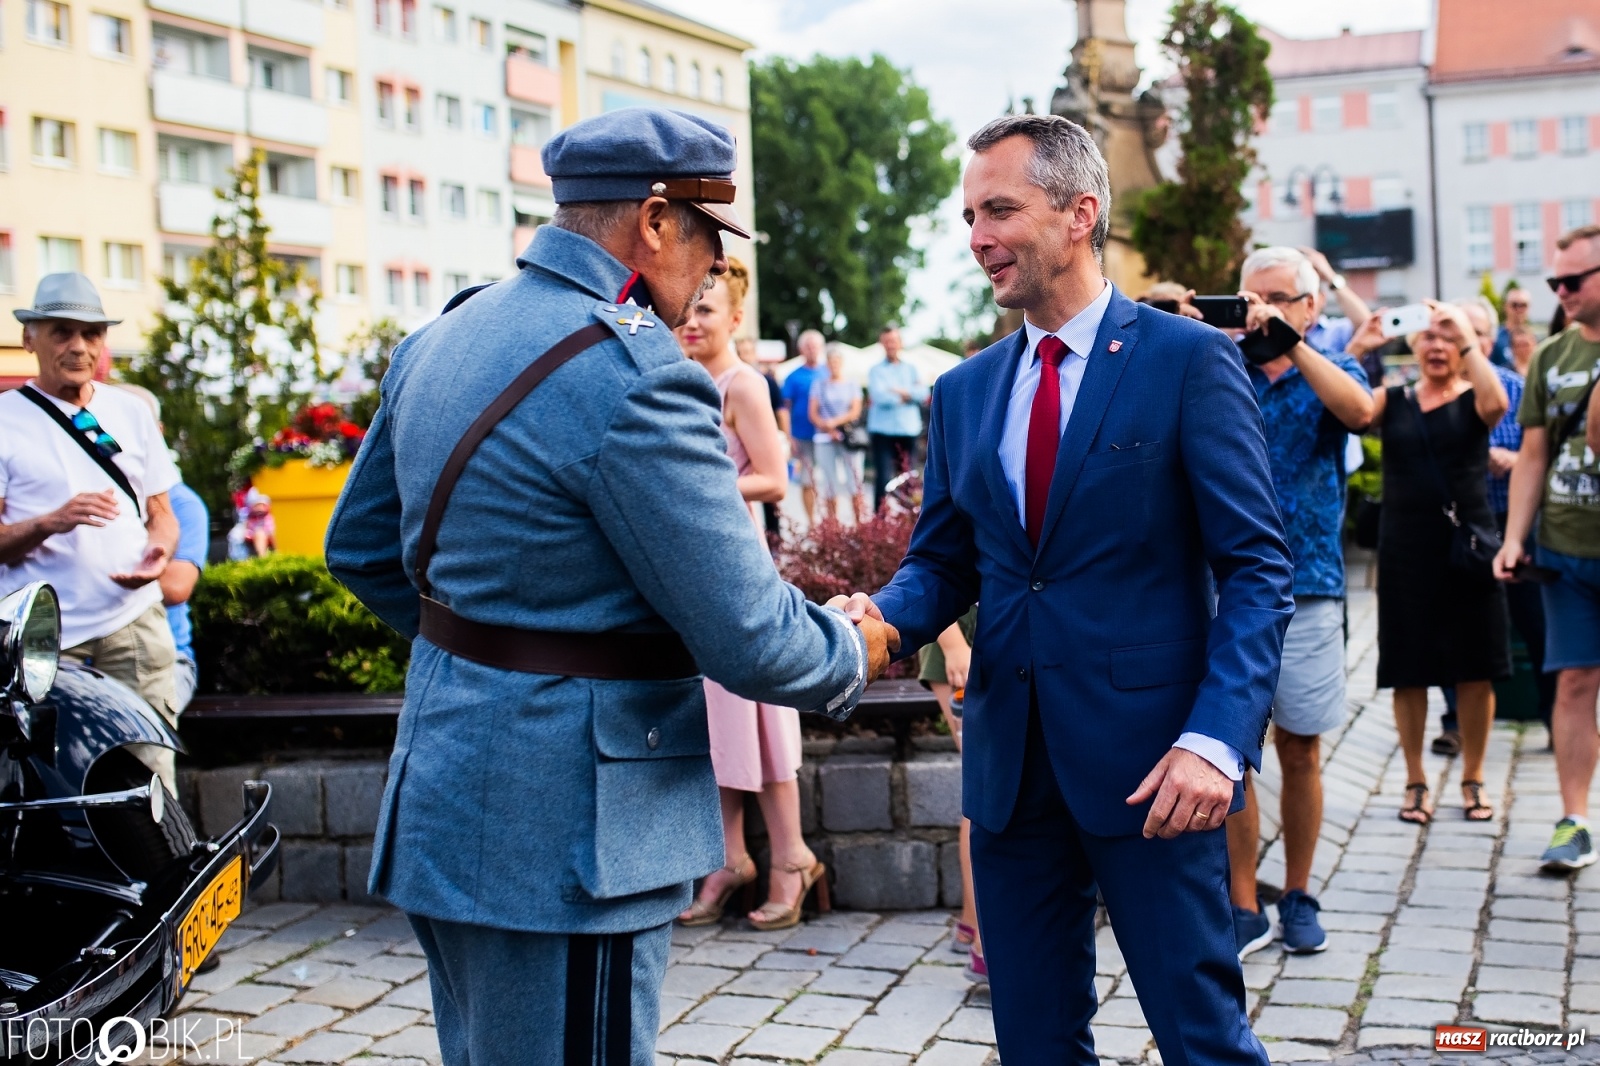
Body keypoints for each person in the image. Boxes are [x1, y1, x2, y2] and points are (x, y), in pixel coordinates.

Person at [324, 108, 897, 1066]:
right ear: (656, 221)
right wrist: (857, 648)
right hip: (570, 832)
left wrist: (492, 654)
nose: (716, 267)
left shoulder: (446, 333)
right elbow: (750, 634)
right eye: (709, 238)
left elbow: (361, 551)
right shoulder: (637, 373)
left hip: (446, 782)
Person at [832, 114, 1293, 1066]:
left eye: (999, 210)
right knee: (1035, 1045)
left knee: (1202, 1040)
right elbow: (943, 563)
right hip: (1009, 773)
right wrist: (877, 622)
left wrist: (1216, 742)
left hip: (1157, 770)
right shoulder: (964, 391)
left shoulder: (1187, 361)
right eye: (969, 216)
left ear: (1081, 214)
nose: (977, 237)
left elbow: (1256, 568)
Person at [1226, 247, 1374, 960]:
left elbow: (1361, 412)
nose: (1262, 310)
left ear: (1312, 307)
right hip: (1224, 588)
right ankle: (1242, 901)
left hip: (1307, 584)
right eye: (1251, 297)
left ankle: (1300, 892)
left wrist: (1291, 343)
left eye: (1279, 297)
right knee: (1230, 750)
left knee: (1301, 747)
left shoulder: (1333, 369)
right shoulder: (1223, 368)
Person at [672, 258, 822, 931]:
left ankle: (791, 857)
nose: (691, 320)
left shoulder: (744, 386)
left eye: (706, 310)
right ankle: (728, 857)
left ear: (735, 318)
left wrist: (694, 491)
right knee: (714, 718)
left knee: (759, 710)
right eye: (687, 307)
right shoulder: (678, 382)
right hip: (689, 573)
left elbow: (774, 479)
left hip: (738, 569)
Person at [0, 273, 182, 791]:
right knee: (58, 786)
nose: (78, 346)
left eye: (92, 333)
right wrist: (50, 521)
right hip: (45, 645)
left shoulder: (130, 411)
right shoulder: (5, 418)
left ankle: (161, 850)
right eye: (61, 332)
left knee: (151, 781)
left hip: (134, 624)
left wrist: (158, 553)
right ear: (29, 338)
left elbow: (162, 515)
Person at [1370, 301, 1510, 824]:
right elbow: (1352, 412)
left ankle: (1473, 776)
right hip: (1405, 551)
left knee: (1476, 668)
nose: (1436, 346)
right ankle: (1415, 780)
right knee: (1407, 670)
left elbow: (1498, 406)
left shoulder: (1476, 398)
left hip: (1467, 550)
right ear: (1414, 345)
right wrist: (1361, 344)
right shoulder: (1393, 400)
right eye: (1427, 337)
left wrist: (1465, 333)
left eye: (1447, 339)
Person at [1493, 224, 1600, 871]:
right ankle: (1574, 820)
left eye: (1573, 280)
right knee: (1574, 682)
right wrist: (1514, 538)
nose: (1561, 291)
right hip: (1566, 550)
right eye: (1555, 281)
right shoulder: (1553, 357)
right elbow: (1533, 454)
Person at [1432, 300, 1555, 755]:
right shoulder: (1433, 393)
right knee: (1454, 626)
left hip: (1511, 521)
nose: (1463, 341)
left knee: (1536, 622)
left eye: (1474, 332)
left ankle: (1554, 716)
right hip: (1457, 525)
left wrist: (1514, 459)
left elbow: (1544, 453)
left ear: (1489, 340)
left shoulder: (1516, 388)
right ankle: (1454, 721)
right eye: (1452, 331)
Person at [118, 382, 211, 714]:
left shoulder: (183, 503)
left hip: (165, 657)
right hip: (82, 654)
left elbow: (175, 587)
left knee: (136, 725)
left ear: (155, 431)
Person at [918, 607, 985, 980]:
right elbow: (934, 571)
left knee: (990, 776)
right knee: (988, 780)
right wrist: (953, 644)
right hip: (960, 633)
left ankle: (973, 923)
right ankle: (986, 941)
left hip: (998, 628)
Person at [866, 325, 927, 511]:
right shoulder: (875, 370)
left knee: (908, 477)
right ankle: (880, 518)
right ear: (881, 344)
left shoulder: (912, 369)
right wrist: (908, 394)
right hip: (882, 432)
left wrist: (897, 391)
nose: (890, 345)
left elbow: (923, 393)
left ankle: (908, 517)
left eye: (893, 341)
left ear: (900, 343)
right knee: (883, 478)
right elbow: (879, 397)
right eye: (887, 341)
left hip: (908, 430)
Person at [737, 334, 788, 543]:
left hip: (764, 440)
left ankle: (774, 536)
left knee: (769, 491)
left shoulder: (766, 380)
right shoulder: (733, 380)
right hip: (740, 442)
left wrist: (785, 437)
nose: (745, 356)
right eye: (741, 352)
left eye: (748, 352)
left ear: (755, 354)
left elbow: (781, 411)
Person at [809, 344, 867, 522]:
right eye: (830, 361)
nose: (833, 365)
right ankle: (833, 526)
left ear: (841, 363)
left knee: (854, 481)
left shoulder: (852, 384)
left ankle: (859, 525)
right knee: (829, 483)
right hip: (825, 438)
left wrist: (834, 423)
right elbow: (813, 413)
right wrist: (828, 428)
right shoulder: (819, 385)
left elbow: (855, 411)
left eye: (836, 361)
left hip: (848, 438)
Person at [781, 330, 825, 525]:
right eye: (808, 346)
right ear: (801, 350)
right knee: (807, 480)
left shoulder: (828, 372)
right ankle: (811, 522)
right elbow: (784, 408)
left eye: (815, 346)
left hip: (825, 436)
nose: (812, 350)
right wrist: (788, 435)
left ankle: (830, 523)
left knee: (828, 481)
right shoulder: (793, 377)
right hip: (802, 435)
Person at [1298, 246, 1374, 358]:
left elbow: (1366, 325)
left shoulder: (1334, 331)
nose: (1303, 304)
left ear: (1322, 299)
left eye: (1310, 298)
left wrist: (1330, 275)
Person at [1492, 287, 1533, 367]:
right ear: (1505, 306)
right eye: (1515, 305)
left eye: (1523, 305)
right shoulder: (1496, 337)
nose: (1519, 309)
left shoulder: (1533, 338)